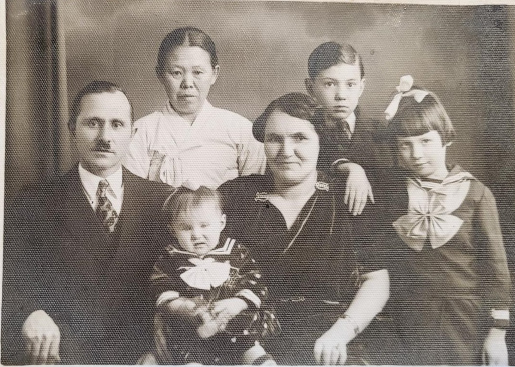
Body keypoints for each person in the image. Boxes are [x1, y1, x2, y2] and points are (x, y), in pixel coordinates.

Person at [1, 81, 171, 364]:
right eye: (93, 123)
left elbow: (186, 284)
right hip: (63, 356)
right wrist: (27, 312)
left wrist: (160, 351)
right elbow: (8, 279)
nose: (105, 136)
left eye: (117, 124)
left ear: (133, 133)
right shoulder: (33, 202)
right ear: (72, 128)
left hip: (144, 357)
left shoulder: (163, 201)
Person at [219, 93, 389, 365]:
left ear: (321, 142)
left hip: (335, 342)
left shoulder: (346, 195)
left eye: (300, 138)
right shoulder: (236, 195)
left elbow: (377, 281)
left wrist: (340, 333)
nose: (286, 151)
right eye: (275, 139)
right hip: (250, 340)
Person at [380, 75, 511, 365]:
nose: (416, 154)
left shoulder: (476, 193)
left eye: (426, 141)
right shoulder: (393, 191)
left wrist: (497, 333)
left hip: (464, 317)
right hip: (407, 315)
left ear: (446, 138)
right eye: (405, 145)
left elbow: (496, 268)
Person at [149, 185, 279, 365]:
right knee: (186, 347)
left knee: (249, 345)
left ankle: (257, 359)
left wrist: (238, 303)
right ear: (173, 230)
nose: (196, 234)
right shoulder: (170, 257)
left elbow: (255, 281)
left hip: (235, 322)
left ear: (221, 223)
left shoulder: (236, 251)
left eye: (204, 225)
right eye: (186, 228)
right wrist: (180, 306)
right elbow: (160, 285)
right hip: (193, 328)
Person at [124, 27, 265, 189]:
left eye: (197, 72)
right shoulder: (140, 133)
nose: (187, 83)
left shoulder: (243, 131)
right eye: (176, 73)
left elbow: (254, 201)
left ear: (214, 74)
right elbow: (132, 200)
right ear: (161, 75)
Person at [305, 41, 383, 216]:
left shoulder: (381, 132)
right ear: (310, 88)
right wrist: (349, 167)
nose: (341, 95)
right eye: (330, 84)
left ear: (361, 87)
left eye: (350, 84)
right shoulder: (301, 129)